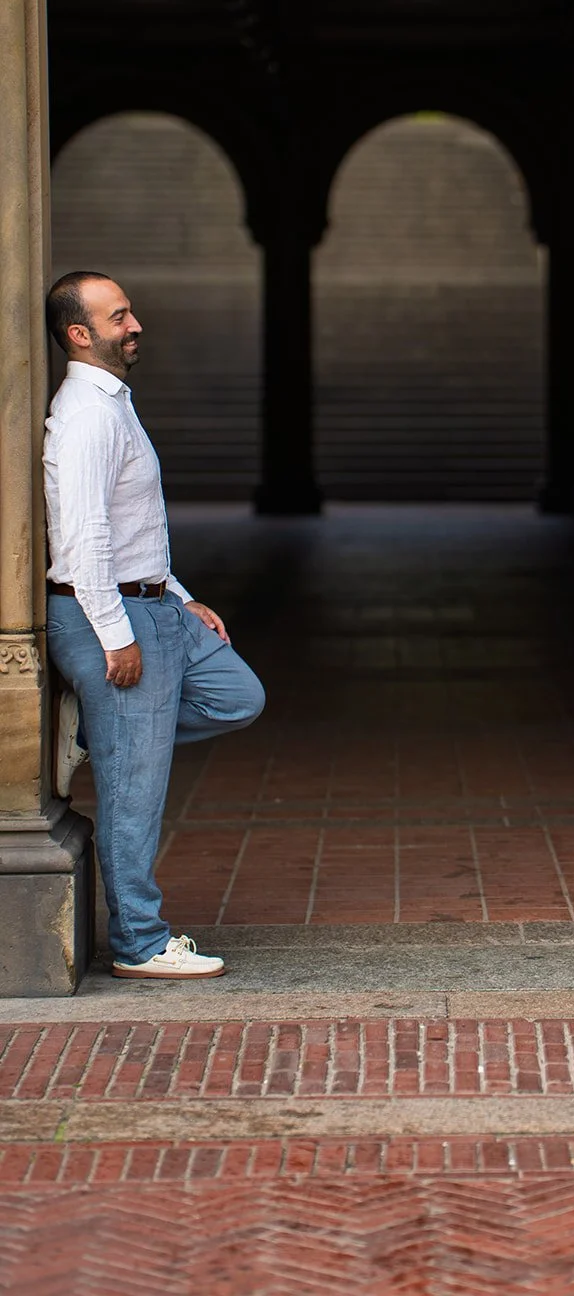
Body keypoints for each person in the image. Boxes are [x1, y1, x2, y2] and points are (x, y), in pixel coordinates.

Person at [44, 271, 265, 980]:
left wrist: (178, 593)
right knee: (133, 789)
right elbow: (83, 540)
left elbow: (135, 524)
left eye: (130, 311)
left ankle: (90, 731)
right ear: (81, 334)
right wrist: (115, 637)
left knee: (236, 694)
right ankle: (140, 942)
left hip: (154, 601)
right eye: (118, 317)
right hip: (108, 612)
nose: (135, 324)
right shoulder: (84, 415)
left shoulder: (114, 403)